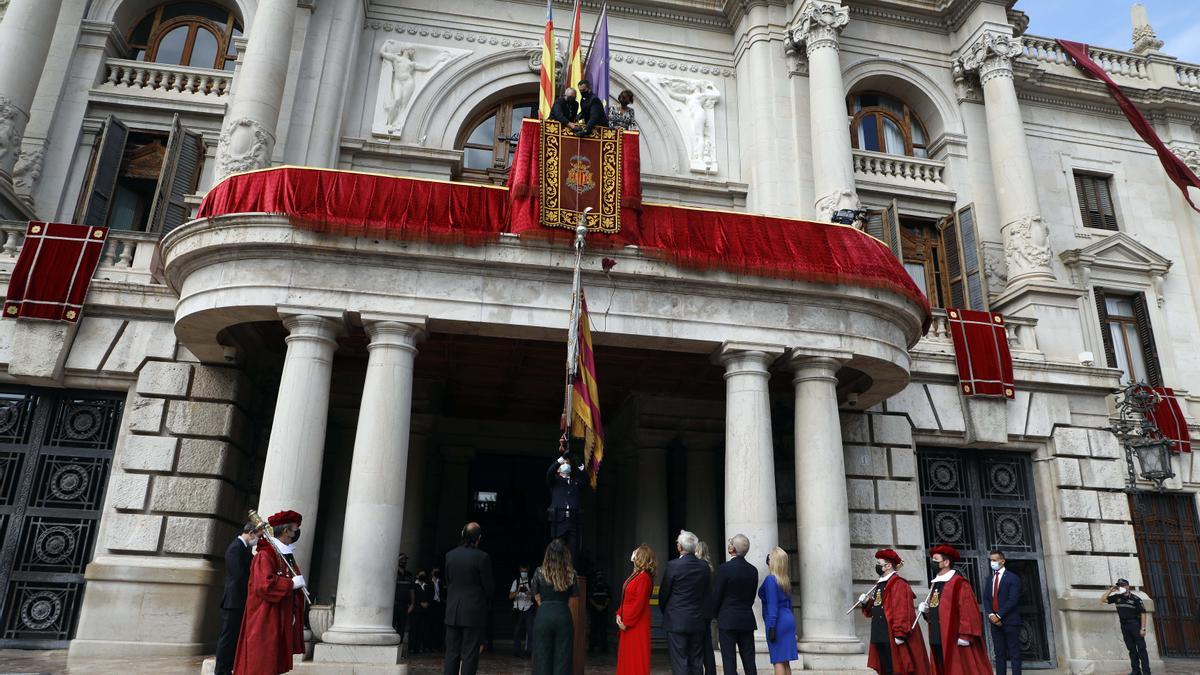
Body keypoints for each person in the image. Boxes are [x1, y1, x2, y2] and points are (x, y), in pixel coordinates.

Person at [233, 510, 306, 675]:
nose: (296, 534)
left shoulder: (284, 554)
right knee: (261, 662)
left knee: (273, 662)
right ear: (286, 531)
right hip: (265, 617)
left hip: (278, 615)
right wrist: (290, 584)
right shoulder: (265, 555)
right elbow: (264, 585)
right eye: (294, 530)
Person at [917, 545, 990, 675]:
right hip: (936, 635)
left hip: (953, 637)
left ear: (946, 562)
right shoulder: (936, 584)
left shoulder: (959, 584)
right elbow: (937, 610)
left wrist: (965, 635)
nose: (932, 563)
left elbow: (968, 611)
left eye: (936, 560)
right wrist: (926, 611)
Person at [856, 549, 929, 675]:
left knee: (896, 669)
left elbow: (902, 610)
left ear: (888, 566)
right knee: (886, 669)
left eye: (879, 563)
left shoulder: (899, 584)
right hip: (879, 633)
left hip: (891, 634)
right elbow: (877, 606)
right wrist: (866, 602)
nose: (877, 566)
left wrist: (900, 633)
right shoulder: (880, 584)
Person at [660, 530, 712, 675]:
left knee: (680, 662)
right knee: (696, 661)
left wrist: (667, 611)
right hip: (698, 619)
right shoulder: (704, 566)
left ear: (680, 547)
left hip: (677, 619)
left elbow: (664, 594)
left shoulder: (673, 565)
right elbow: (707, 593)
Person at [443, 523, 493, 675]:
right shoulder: (482, 557)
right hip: (473, 612)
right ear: (478, 538)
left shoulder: (450, 555)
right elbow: (488, 587)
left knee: (451, 654)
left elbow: (448, 581)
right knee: (470, 655)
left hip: (453, 611)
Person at [711, 534, 757, 675]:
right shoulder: (753, 570)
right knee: (749, 661)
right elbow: (751, 597)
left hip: (727, 619)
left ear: (732, 549)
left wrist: (714, 614)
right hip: (746, 619)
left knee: (729, 662)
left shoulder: (725, 569)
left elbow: (717, 595)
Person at [216, 523, 257, 675]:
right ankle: (221, 671)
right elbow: (238, 575)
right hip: (233, 600)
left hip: (240, 600)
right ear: (251, 533)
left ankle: (230, 668)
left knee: (234, 637)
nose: (257, 540)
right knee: (228, 638)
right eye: (257, 536)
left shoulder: (245, 548)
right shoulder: (235, 548)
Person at [532, 538, 578, 675]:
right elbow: (572, 600)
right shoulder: (571, 574)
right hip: (563, 614)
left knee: (542, 657)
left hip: (544, 614)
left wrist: (545, 607)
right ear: (565, 554)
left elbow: (536, 595)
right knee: (563, 658)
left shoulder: (539, 572)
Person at [617, 544, 656, 675]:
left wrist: (625, 621)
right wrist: (619, 614)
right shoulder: (637, 575)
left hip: (635, 625)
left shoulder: (643, 578)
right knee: (628, 660)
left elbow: (638, 604)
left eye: (636, 554)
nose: (633, 556)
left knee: (636, 660)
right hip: (628, 623)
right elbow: (627, 598)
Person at [981, 550, 1021, 675]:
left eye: (994, 560)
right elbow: (986, 599)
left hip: (1010, 621)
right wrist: (991, 615)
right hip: (994, 622)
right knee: (999, 654)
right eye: (990, 560)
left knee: (1014, 654)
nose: (992, 562)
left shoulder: (1013, 578)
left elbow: (1012, 600)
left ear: (1002, 561)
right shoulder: (990, 579)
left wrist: (999, 616)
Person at [759, 547, 797, 675]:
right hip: (788, 619)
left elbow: (772, 606)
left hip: (777, 621)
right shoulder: (785, 580)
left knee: (778, 660)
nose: (767, 560)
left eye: (769, 558)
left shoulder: (771, 580)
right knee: (785, 661)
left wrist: (772, 626)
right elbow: (789, 604)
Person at [1103, 578, 1151, 675]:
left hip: (1135, 625)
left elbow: (1143, 614)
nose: (1120, 588)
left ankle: (1146, 672)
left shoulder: (1136, 599)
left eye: (1122, 585)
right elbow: (1103, 600)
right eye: (1119, 586)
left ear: (1127, 586)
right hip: (1124, 626)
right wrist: (1110, 590)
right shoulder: (1117, 597)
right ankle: (1136, 671)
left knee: (1141, 649)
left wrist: (1143, 628)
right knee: (1131, 649)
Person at [547, 454, 582, 558]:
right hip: (559, 521)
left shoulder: (574, 482)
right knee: (557, 551)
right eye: (564, 463)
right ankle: (557, 573)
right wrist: (560, 460)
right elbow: (549, 473)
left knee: (573, 552)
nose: (566, 464)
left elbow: (586, 480)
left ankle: (572, 572)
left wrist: (580, 465)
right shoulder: (554, 481)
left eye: (568, 463)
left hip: (572, 521)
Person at [694, 541, 717, 675]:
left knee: (698, 645)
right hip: (707, 611)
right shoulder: (710, 567)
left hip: (698, 612)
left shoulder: (700, 568)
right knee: (707, 644)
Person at [510, 565, 535, 658]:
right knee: (517, 631)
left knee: (530, 631)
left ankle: (529, 651)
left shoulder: (531, 581)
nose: (523, 572)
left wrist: (528, 592)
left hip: (528, 608)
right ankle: (516, 652)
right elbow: (510, 596)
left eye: (525, 571)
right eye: (522, 571)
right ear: (519, 571)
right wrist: (518, 591)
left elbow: (535, 595)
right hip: (518, 609)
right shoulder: (516, 582)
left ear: (528, 571)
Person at [588, 571, 612, 654]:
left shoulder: (606, 586)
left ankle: (604, 648)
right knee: (593, 629)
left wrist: (603, 606)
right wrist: (597, 606)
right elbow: (590, 598)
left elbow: (608, 598)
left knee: (603, 630)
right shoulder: (592, 586)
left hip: (603, 612)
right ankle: (592, 647)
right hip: (595, 612)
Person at [410, 570, 433, 654]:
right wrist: (420, 603)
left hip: (424, 611)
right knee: (414, 629)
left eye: (424, 574)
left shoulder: (427, 586)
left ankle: (418, 647)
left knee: (421, 630)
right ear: (417, 575)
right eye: (421, 574)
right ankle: (411, 647)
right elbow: (412, 596)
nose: (423, 575)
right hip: (416, 610)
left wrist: (428, 603)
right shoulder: (414, 585)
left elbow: (431, 596)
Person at [394, 554, 414, 641]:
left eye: (405, 559)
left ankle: (399, 650)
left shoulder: (409, 574)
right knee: (392, 626)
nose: (404, 561)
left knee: (402, 628)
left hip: (404, 606)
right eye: (402, 559)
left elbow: (412, 590)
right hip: (394, 605)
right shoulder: (393, 573)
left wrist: (412, 604)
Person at [431, 566, 446, 651]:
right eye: (434, 571)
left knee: (439, 626)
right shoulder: (429, 582)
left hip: (439, 605)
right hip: (431, 605)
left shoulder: (441, 582)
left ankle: (438, 645)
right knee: (431, 625)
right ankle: (430, 645)